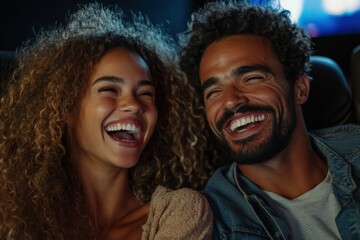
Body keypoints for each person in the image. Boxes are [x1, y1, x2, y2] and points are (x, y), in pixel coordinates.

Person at [0, 3, 214, 239]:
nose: (134, 104)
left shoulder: (179, 212)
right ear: (66, 107)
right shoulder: (13, 215)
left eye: (145, 94)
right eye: (109, 89)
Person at [179, 1, 360, 239]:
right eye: (214, 92)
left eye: (251, 78)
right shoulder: (208, 223)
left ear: (300, 89)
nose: (230, 101)